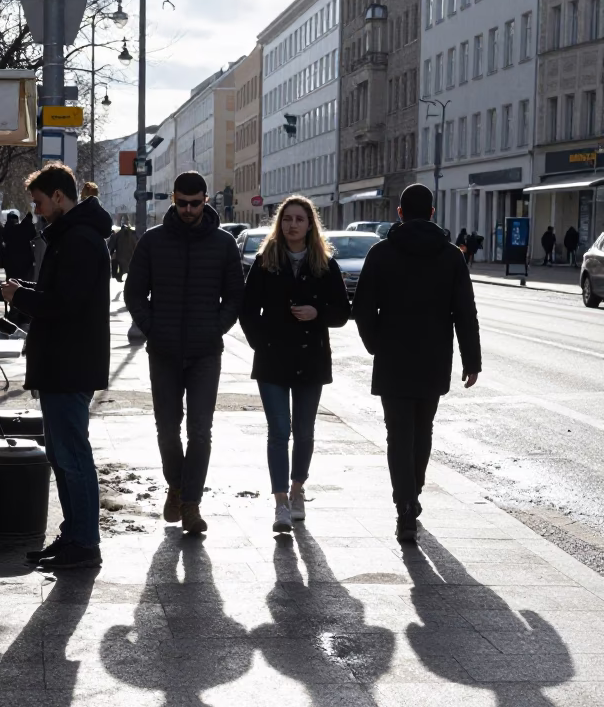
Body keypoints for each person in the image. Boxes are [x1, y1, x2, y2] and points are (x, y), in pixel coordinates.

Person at [352, 182, 482, 543]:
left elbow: (362, 308)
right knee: (423, 430)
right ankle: (414, 493)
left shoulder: (381, 252)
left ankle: (405, 505)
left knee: (398, 434)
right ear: (432, 213)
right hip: (434, 356)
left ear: (399, 213)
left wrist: (376, 344)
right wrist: (471, 360)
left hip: (393, 357)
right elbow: (465, 312)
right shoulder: (451, 256)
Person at [1, 162, 111, 570]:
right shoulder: (71, 235)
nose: (37, 210)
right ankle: (74, 536)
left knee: (72, 456)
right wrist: (25, 290)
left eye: (40, 202)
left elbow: (65, 304)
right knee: (64, 456)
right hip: (64, 361)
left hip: (69, 363)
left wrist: (20, 297)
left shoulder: (78, 239)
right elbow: (61, 293)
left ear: (59, 197)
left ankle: (84, 543)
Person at [124, 170, 244, 535]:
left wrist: (216, 327)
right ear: (173, 200)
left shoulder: (223, 243)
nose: (188, 210)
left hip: (205, 351)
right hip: (163, 350)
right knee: (167, 429)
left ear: (206, 200)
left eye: (194, 203)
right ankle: (175, 487)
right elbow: (134, 293)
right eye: (182, 203)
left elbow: (235, 295)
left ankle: (191, 504)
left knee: (200, 431)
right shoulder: (153, 241)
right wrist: (153, 328)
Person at [240, 195, 350, 533]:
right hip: (272, 358)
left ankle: (297, 489)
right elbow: (247, 310)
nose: (292, 225)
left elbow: (343, 312)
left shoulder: (324, 263)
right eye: (287, 219)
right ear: (280, 223)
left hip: (310, 358)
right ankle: (280, 503)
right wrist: (261, 343)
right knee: (278, 431)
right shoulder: (266, 261)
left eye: (299, 219)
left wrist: (318, 313)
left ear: (310, 224)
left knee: (304, 431)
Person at [0, 209, 37, 282]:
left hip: (11, 258)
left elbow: (4, 239)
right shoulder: (24, 229)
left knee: (11, 277)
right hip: (23, 258)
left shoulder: (9, 229)